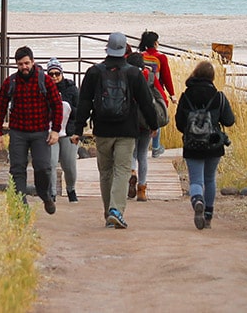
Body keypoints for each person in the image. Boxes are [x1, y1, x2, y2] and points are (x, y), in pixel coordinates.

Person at [73, 32, 158, 229]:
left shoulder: (94, 72)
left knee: (105, 172)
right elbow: (146, 103)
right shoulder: (134, 73)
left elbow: (84, 102)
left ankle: (108, 212)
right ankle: (116, 210)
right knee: (122, 170)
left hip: (102, 129)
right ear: (124, 49)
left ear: (107, 49)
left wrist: (78, 129)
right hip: (127, 130)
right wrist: (153, 125)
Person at [0, 46, 63, 215]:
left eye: (26, 63)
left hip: (40, 132)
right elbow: (0, 107)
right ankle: (20, 205)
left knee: (43, 167)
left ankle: (45, 195)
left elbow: (57, 106)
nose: (24, 67)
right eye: (20, 64)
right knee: (17, 169)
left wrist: (55, 130)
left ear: (33, 61)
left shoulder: (45, 81)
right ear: (16, 65)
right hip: (18, 132)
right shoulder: (11, 82)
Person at [175, 61, 235, 230]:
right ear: (212, 77)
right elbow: (229, 121)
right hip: (214, 144)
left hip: (192, 145)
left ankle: (197, 200)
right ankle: (208, 216)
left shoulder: (185, 96)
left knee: (196, 180)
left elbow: (179, 124)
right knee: (210, 179)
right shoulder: (219, 97)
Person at [46, 57, 81, 203]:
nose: (54, 77)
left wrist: (65, 107)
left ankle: (71, 189)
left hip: (69, 131)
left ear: (62, 74)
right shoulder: (43, 88)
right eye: (51, 74)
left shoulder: (71, 89)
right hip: (49, 131)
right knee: (51, 163)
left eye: (57, 74)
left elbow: (80, 112)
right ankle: (52, 193)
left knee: (69, 165)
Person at [139, 30, 176, 158]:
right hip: (156, 90)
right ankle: (155, 146)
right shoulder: (161, 57)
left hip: (141, 89)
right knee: (158, 113)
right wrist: (172, 94)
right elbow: (166, 76)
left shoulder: (140, 56)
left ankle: (148, 144)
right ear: (155, 43)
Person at [125, 52, 155, 202]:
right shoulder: (150, 77)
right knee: (143, 154)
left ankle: (132, 172)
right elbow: (156, 100)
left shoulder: (125, 77)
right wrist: (154, 124)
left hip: (129, 121)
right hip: (145, 122)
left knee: (132, 152)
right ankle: (142, 190)